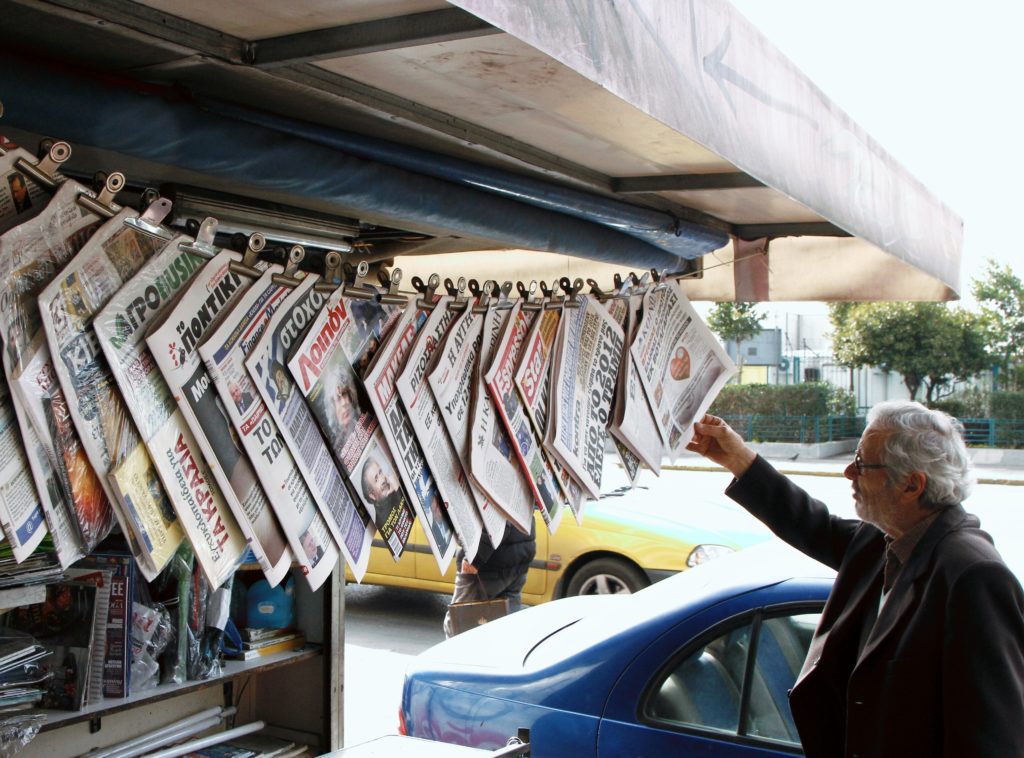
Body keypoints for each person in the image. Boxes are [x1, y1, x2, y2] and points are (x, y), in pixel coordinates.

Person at [686, 401, 1024, 758]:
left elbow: (992, 738)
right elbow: (810, 524)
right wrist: (737, 457)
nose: (848, 471)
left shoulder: (973, 576)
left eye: (862, 463)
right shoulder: (886, 539)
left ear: (911, 485)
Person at [443, 517, 537, 638]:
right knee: (505, 629)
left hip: (488, 564)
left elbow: (498, 518)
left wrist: (473, 561)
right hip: (520, 554)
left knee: (456, 627)